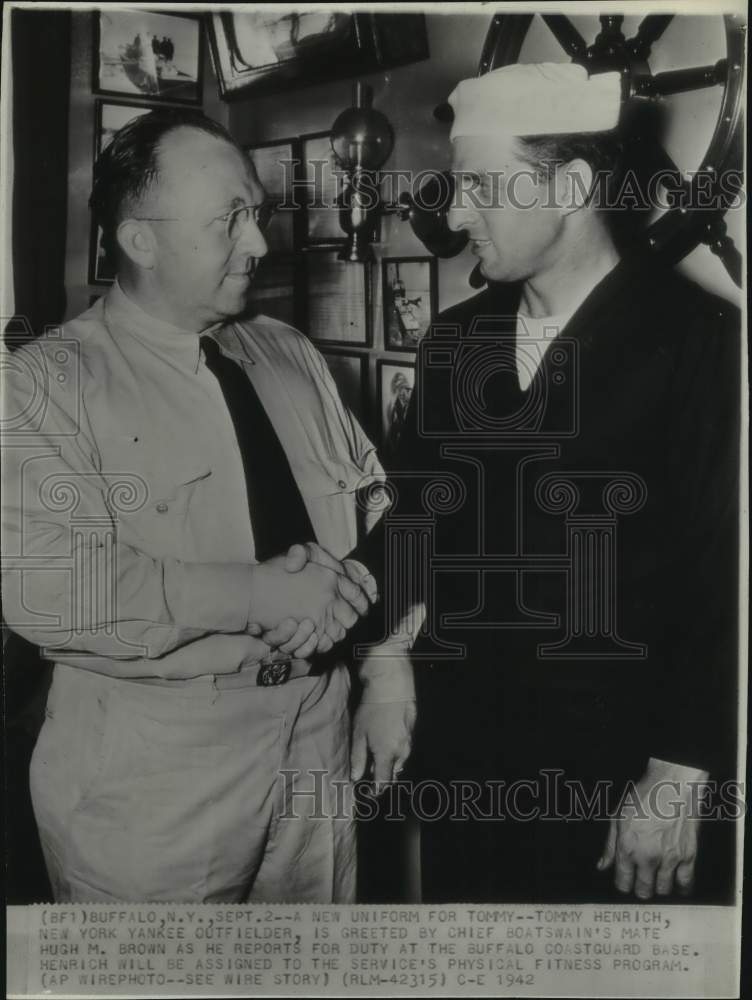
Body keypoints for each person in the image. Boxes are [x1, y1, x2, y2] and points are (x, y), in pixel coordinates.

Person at [1, 108, 408, 904]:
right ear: (139, 239)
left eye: (255, 214)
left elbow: (382, 516)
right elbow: (47, 590)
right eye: (229, 221)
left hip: (318, 740)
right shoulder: (42, 384)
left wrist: (388, 676)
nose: (258, 243)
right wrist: (256, 592)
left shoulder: (289, 353)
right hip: (153, 777)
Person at [356, 63, 740, 903]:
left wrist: (681, 769)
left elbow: (725, 579)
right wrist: (383, 658)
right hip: (469, 769)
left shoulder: (703, 344)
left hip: (618, 792)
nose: (456, 216)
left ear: (569, 186)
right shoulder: (459, 339)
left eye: (481, 188)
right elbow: (414, 523)